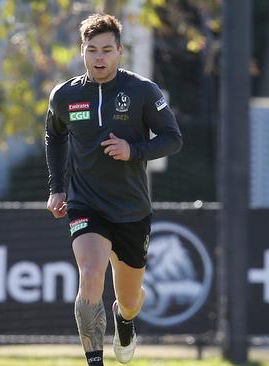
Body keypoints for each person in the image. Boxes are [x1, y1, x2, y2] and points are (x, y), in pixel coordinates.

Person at [45, 14, 182, 366]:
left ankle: (125, 319)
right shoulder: (65, 95)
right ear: (82, 51)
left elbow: (172, 139)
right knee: (90, 274)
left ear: (120, 51)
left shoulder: (142, 91)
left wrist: (133, 150)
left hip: (131, 210)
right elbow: (54, 137)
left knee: (131, 297)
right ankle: (94, 361)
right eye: (92, 50)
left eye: (107, 49)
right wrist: (58, 188)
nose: (99, 57)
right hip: (85, 203)